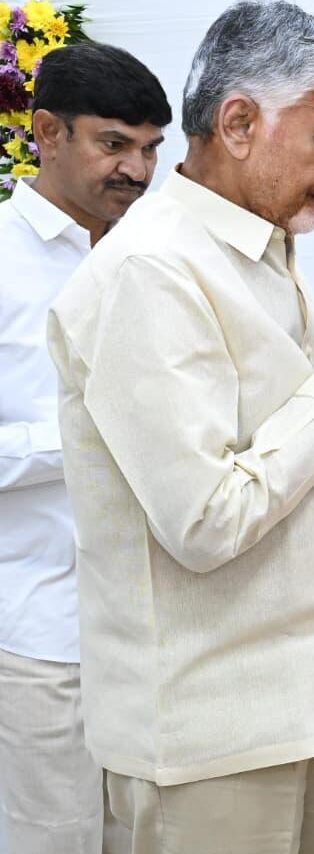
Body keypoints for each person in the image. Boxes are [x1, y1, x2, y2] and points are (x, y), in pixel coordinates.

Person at [46, 3, 314, 851]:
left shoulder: (266, 253)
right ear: (237, 123)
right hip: (213, 731)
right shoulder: (150, 270)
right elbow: (207, 520)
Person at [0, 42, 168, 854]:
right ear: (46, 133)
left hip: (151, 637)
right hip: (37, 636)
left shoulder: (153, 261)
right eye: (114, 144)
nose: (136, 171)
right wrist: (84, 440)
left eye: (150, 149)